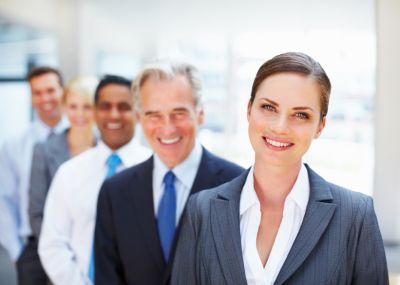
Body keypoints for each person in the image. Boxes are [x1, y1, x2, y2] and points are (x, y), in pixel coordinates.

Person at [172, 52, 389, 285]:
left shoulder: (355, 216)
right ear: (248, 110)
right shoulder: (201, 211)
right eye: (268, 107)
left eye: (300, 114)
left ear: (320, 126)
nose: (280, 127)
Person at [94, 62, 244, 285]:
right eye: (154, 114)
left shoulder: (237, 186)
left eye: (179, 113)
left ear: (200, 113)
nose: (167, 128)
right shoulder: (115, 192)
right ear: (139, 117)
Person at [38, 75, 152, 285]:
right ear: (95, 112)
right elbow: (52, 243)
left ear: (138, 112)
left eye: (124, 106)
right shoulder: (70, 173)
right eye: (105, 106)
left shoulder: (156, 171)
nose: (114, 115)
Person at [0, 67, 69, 285]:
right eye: (37, 93)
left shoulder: (80, 139)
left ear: (62, 92)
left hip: (74, 245)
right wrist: (16, 251)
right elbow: (4, 199)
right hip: (32, 250)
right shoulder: (13, 145)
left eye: (50, 90)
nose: (45, 98)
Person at [29, 76, 98, 239]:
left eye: (87, 107)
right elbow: (37, 214)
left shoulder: (108, 150)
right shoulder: (43, 151)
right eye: (73, 106)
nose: (79, 114)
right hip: (55, 246)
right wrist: (58, 252)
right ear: (64, 108)